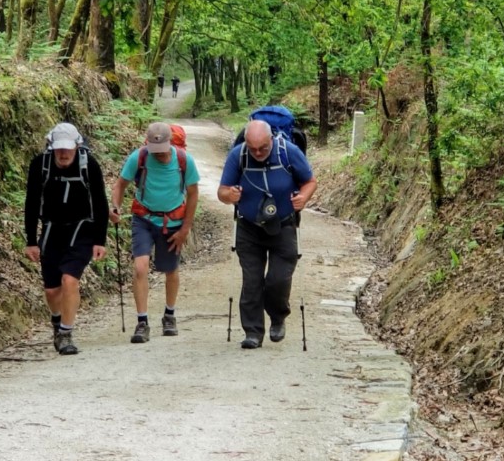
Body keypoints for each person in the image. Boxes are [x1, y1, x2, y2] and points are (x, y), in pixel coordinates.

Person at [217, 119, 316, 349]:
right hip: (249, 227)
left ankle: (278, 316)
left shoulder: (289, 153)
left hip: (283, 225)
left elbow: (309, 181)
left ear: (271, 140)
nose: (258, 152)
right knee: (251, 281)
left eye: (262, 148)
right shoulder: (238, 156)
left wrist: (304, 197)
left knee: (278, 279)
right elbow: (222, 190)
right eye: (253, 148)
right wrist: (228, 195)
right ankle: (253, 332)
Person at [110, 121, 199, 343]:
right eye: (154, 151)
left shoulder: (184, 160)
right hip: (144, 219)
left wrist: (185, 229)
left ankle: (169, 315)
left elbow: (193, 194)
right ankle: (142, 322)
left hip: (173, 221)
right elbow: (120, 184)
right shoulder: (138, 157)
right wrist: (115, 207)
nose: (158, 155)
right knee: (140, 267)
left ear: (170, 143)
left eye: (162, 150)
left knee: (171, 269)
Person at [24, 122, 108, 356]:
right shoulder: (39, 165)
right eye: (58, 149)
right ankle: (57, 321)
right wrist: (31, 240)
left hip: (82, 230)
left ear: (76, 146)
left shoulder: (88, 165)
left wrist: (100, 240)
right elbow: (31, 203)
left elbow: (100, 203)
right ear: (51, 147)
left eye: (67, 149)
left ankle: (66, 333)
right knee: (52, 291)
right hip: (51, 230)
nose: (63, 154)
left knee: (69, 280)